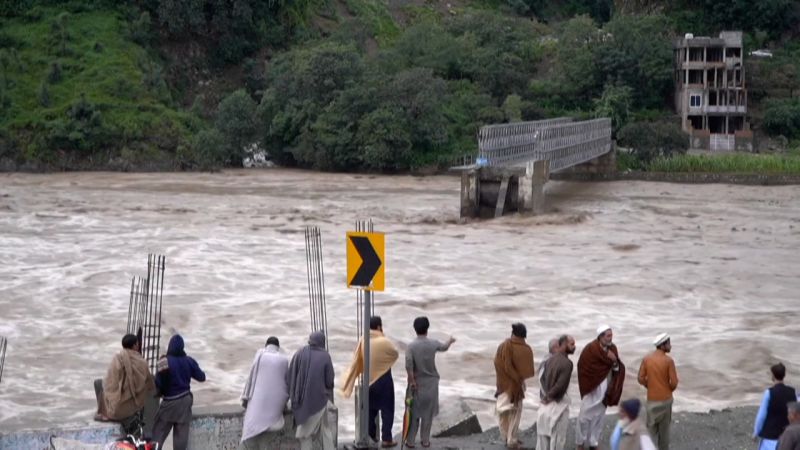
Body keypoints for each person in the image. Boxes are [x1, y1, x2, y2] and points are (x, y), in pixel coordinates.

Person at [341, 316, 399, 448]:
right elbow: (395, 354)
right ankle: (386, 439)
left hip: (369, 381)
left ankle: (371, 436)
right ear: (379, 327)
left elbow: (357, 359)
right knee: (387, 410)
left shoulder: (363, 340)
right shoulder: (384, 341)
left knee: (370, 410)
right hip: (384, 380)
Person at [404, 316, 456, 448]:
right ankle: (425, 441)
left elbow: (409, 365)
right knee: (427, 415)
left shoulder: (411, 346)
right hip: (432, 385)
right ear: (427, 329)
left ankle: (410, 442)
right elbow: (444, 347)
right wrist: (450, 341)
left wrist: (412, 380)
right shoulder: (433, 343)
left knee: (414, 414)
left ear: (414, 329)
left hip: (416, 385)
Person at [152, 334, 206, 450]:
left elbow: (159, 384)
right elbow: (202, 377)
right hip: (185, 402)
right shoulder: (189, 361)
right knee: (181, 441)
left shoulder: (163, 362)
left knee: (157, 437)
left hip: (169, 403)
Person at [576, 325, 626, 450]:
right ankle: (580, 443)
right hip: (591, 389)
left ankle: (594, 443)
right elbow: (582, 367)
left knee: (599, 417)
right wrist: (590, 383)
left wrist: (614, 360)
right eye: (608, 336)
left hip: (605, 389)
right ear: (601, 337)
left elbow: (616, 368)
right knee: (584, 417)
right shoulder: (590, 349)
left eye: (611, 335)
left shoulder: (613, 348)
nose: (610, 338)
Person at [94, 334, 155, 434]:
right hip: (130, 409)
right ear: (135, 345)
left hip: (114, 411)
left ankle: (105, 415)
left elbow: (109, 384)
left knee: (105, 390)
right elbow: (149, 384)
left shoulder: (116, 359)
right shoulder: (142, 363)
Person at [287, 331, 335, 450]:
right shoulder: (325, 356)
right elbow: (330, 381)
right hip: (320, 401)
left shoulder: (300, 352)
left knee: (304, 435)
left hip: (302, 402)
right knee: (325, 431)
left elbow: (290, 375)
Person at [240, 336, 289, 449]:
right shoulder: (284, 360)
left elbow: (251, 378)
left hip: (257, 407)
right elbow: (285, 383)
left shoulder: (260, 356)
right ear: (278, 347)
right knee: (265, 443)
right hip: (275, 409)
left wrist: (245, 399)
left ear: (266, 345)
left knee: (249, 440)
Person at [494, 323, 535, 449]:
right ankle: (512, 440)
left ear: (513, 333)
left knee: (502, 413)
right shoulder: (526, 349)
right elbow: (528, 372)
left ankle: (506, 437)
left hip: (502, 385)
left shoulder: (503, 346)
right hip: (516, 386)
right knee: (515, 413)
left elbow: (498, 364)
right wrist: (517, 380)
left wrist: (502, 381)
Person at [637, 332, 679, 450]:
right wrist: (668, 388)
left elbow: (640, 378)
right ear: (662, 345)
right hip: (665, 400)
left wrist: (649, 385)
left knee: (650, 428)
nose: (670, 346)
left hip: (652, 399)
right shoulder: (668, 361)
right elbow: (674, 382)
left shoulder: (647, 359)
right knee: (664, 432)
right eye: (669, 343)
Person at [537, 334, 575, 450]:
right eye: (572, 344)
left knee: (543, 440)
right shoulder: (567, 363)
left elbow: (541, 380)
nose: (574, 347)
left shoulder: (548, 360)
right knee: (557, 440)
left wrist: (545, 398)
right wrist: (549, 397)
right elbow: (560, 386)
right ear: (562, 345)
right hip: (558, 406)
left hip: (544, 407)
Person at [754, 363, 797, 450]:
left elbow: (761, 416)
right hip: (786, 437)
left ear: (773, 376)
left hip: (770, 437)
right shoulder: (792, 392)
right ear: (784, 375)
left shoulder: (769, 393)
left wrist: (756, 432)